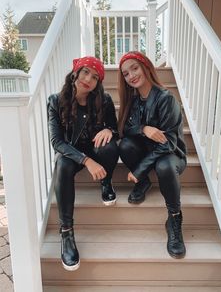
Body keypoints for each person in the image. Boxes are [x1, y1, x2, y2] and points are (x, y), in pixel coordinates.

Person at [48, 56, 119, 271]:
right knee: (63, 165)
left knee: (109, 146)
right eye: (86, 72)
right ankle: (66, 232)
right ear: (76, 72)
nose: (89, 79)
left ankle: (106, 182)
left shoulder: (103, 100)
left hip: (96, 148)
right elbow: (57, 141)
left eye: (95, 77)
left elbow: (116, 129)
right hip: (73, 152)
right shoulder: (55, 101)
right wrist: (86, 161)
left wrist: (109, 130)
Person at [118, 51, 187, 259]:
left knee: (164, 166)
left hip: (171, 154)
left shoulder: (166, 99)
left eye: (134, 68)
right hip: (148, 151)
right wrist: (143, 129)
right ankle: (144, 183)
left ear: (146, 67)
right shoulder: (134, 100)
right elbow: (126, 130)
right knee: (125, 145)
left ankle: (174, 218)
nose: (131, 75)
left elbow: (169, 144)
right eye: (126, 73)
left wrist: (139, 169)